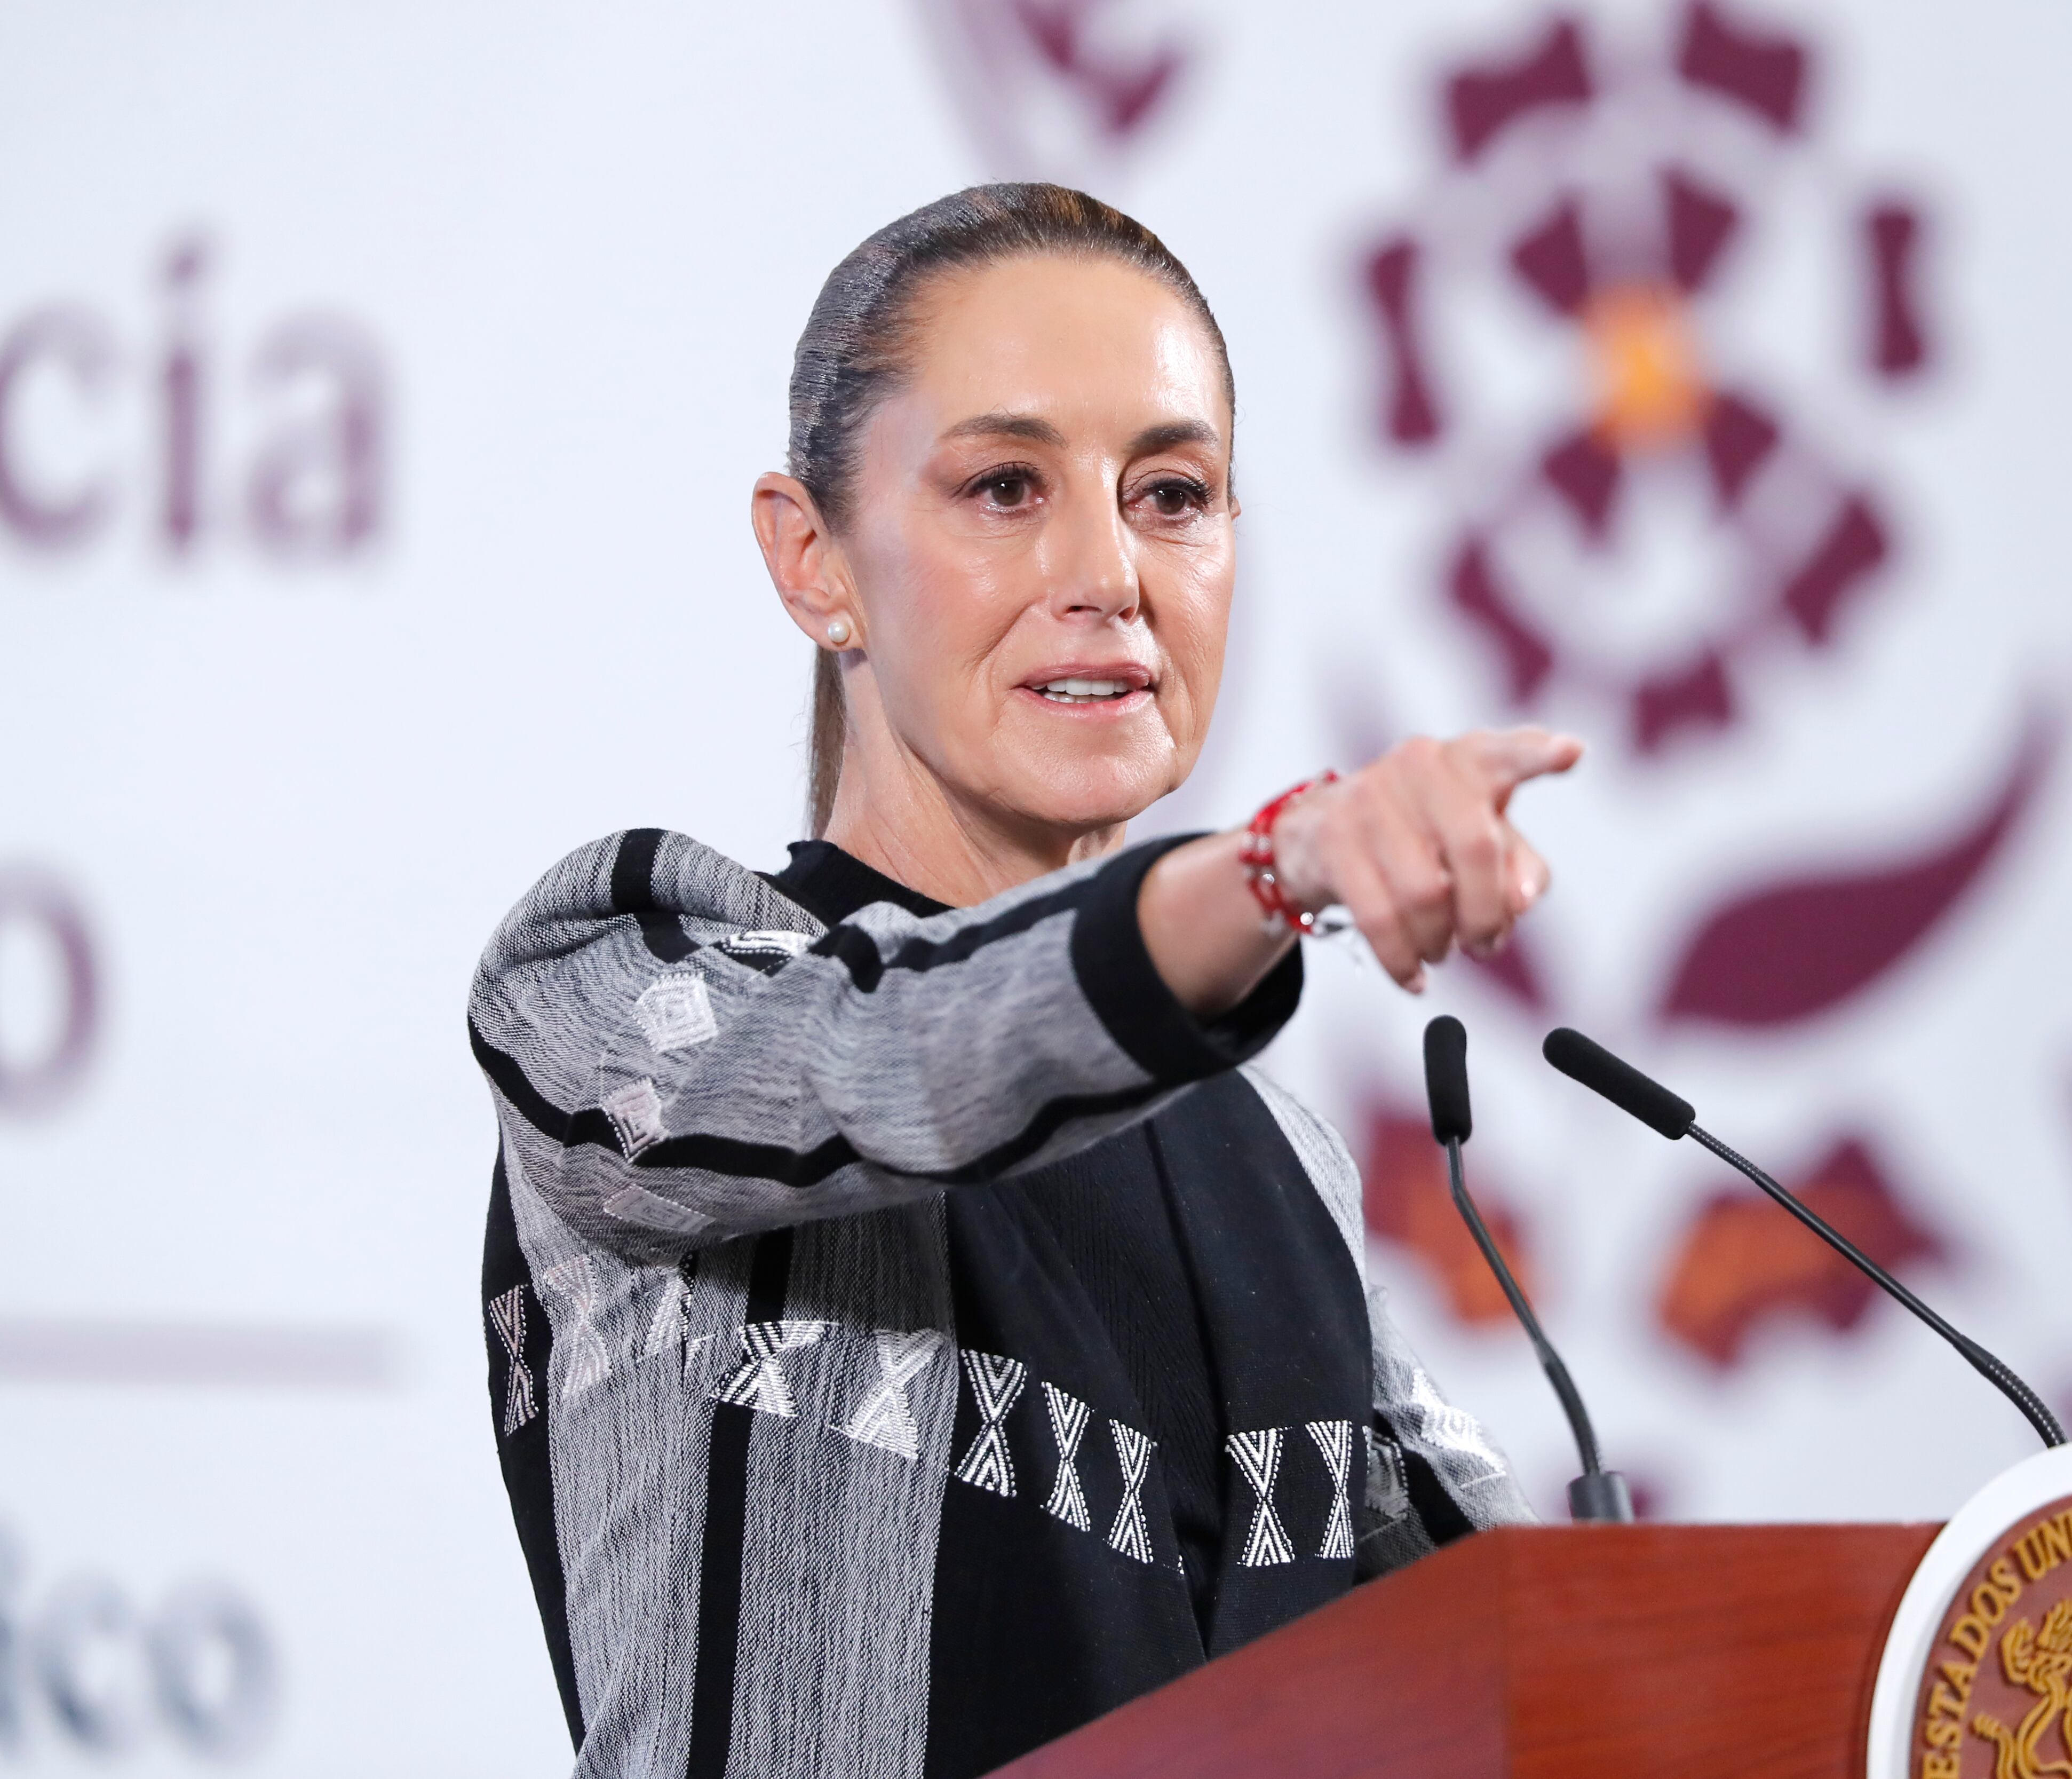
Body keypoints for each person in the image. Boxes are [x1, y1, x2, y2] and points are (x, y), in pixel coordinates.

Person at [469, 183, 1583, 1779]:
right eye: (1005, 486)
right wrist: (1275, 866)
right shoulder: (609, 976)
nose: (1110, 571)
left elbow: (1522, 1656)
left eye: (1174, 494)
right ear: (813, 561)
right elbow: (900, 1055)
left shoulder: (1277, 1158)